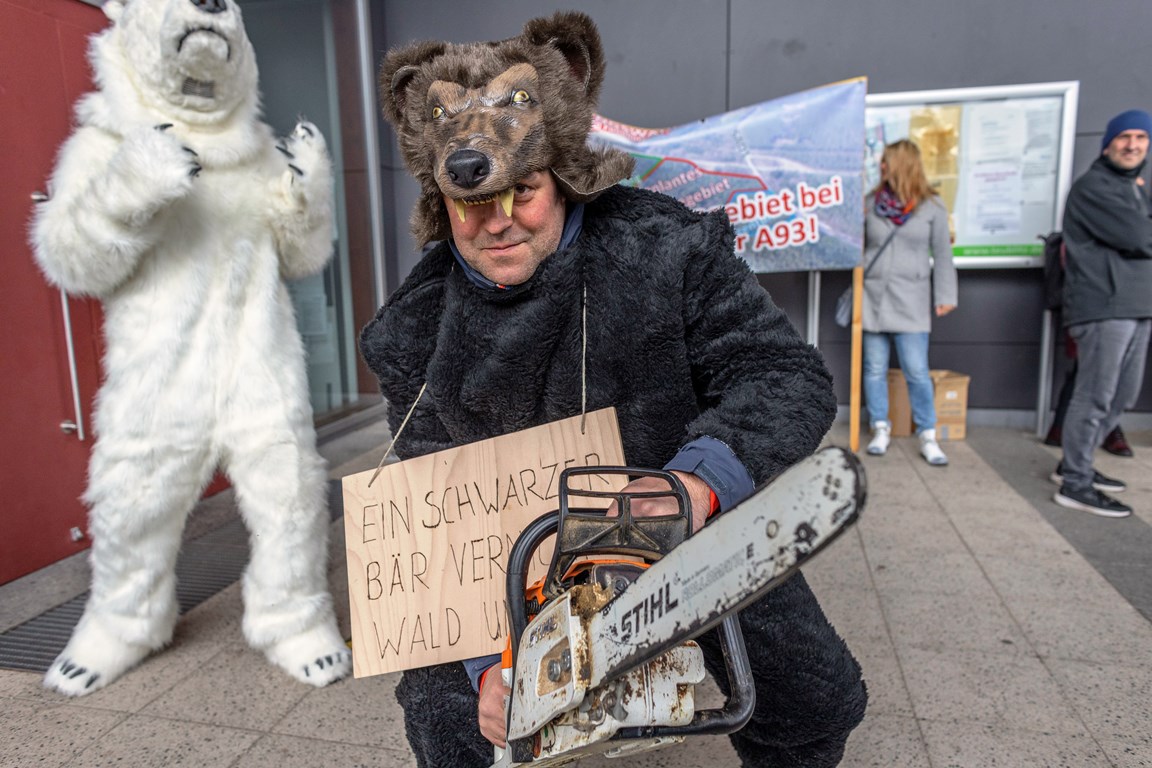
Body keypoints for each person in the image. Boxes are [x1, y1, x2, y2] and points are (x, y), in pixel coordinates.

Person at [360, 16, 867, 767]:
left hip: (681, 531)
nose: (497, 223)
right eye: (472, 203)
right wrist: (489, 664)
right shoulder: (412, 331)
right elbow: (434, 508)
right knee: (451, 725)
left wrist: (696, 484)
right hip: (511, 556)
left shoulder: (669, 249)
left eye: (523, 192)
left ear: (559, 178)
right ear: (443, 200)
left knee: (817, 697)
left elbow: (782, 374)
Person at [1052, 109, 1152, 518]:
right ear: (1107, 143)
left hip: (1136, 306)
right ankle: (1075, 482)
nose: (1132, 145)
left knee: (1122, 396)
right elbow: (1138, 236)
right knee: (1094, 396)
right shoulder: (1095, 186)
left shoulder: (1134, 189)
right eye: (1124, 136)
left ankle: (1075, 464)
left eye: (1141, 138)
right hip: (1103, 307)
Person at [860, 139, 958, 465]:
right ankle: (880, 427)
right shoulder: (870, 203)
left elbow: (943, 255)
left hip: (912, 300)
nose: (882, 168)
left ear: (903, 164)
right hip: (873, 298)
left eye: (887, 162)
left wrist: (945, 296)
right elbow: (857, 248)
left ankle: (928, 434)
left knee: (916, 370)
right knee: (874, 369)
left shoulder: (931, 206)